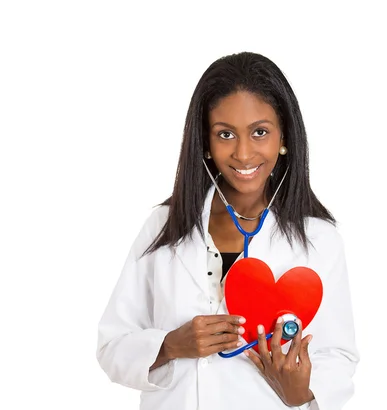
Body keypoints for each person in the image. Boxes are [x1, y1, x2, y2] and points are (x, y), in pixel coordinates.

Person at [96, 51, 359, 410]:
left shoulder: (318, 239)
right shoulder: (164, 227)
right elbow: (112, 346)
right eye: (225, 134)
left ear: (284, 136)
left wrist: (302, 393)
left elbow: (339, 356)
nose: (244, 153)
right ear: (205, 142)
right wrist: (171, 345)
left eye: (260, 132)